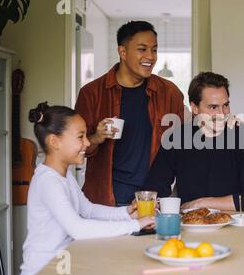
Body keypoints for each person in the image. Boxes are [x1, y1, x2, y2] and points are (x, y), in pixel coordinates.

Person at [19, 102, 155, 275]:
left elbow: (88, 209)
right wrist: (135, 225)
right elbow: (78, 228)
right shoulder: (48, 181)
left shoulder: (64, 175)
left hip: (62, 272)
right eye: (80, 137)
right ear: (54, 141)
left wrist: (126, 214)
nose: (88, 142)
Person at [75, 20, 185, 206]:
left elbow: (183, 145)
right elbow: (78, 148)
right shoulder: (92, 93)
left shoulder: (169, 92)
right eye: (142, 49)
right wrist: (97, 137)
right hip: (107, 201)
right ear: (122, 52)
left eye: (154, 50)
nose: (150, 56)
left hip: (155, 199)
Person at [143, 72, 244, 211]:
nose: (222, 114)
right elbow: (154, 189)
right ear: (195, 108)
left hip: (236, 225)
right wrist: (157, 204)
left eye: (225, 105)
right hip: (191, 225)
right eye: (213, 107)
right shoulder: (176, 138)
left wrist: (201, 203)